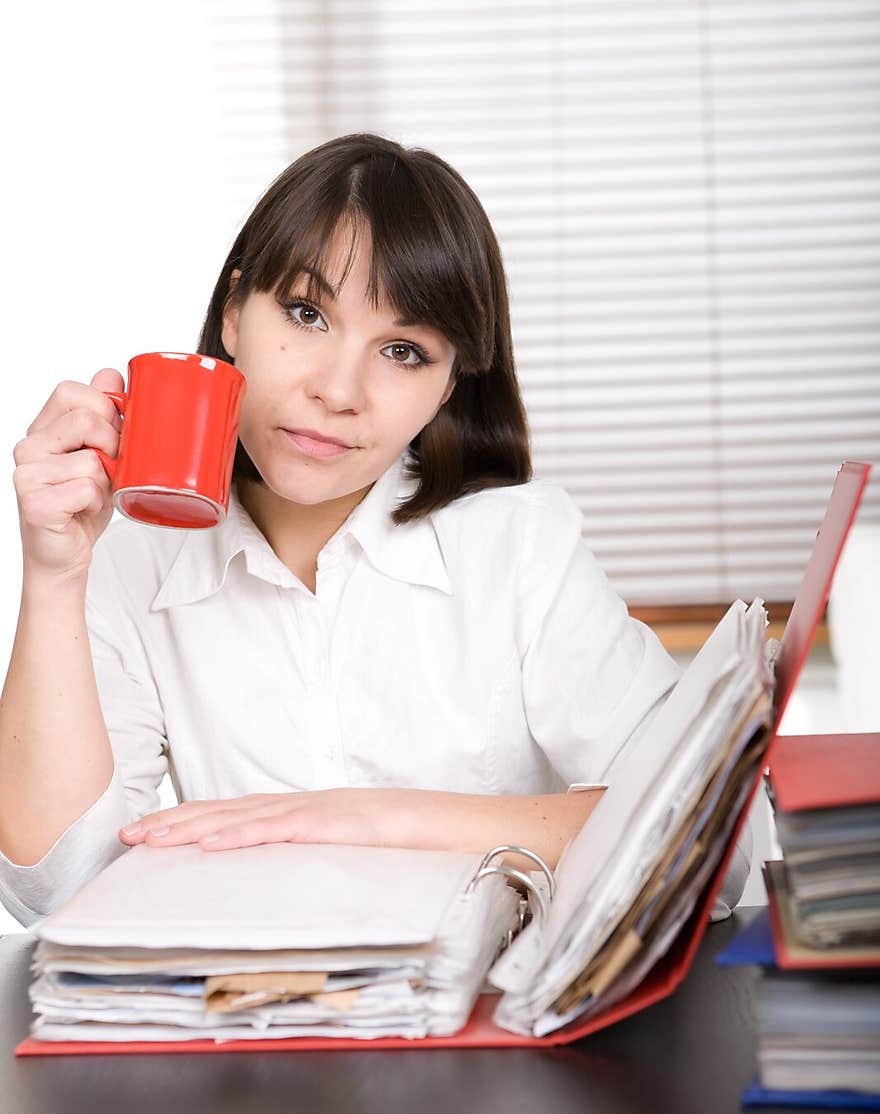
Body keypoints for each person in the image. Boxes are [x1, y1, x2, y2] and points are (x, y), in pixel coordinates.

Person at [0, 131, 751, 931]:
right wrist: (53, 575)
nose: (338, 390)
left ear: (449, 386)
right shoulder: (134, 561)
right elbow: (61, 889)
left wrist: (371, 820)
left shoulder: (520, 546)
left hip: (485, 1033)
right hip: (252, 1036)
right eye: (305, 313)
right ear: (232, 312)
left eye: (402, 350)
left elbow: (720, 840)